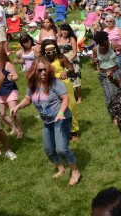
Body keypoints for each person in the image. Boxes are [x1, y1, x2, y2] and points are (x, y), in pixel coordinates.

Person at [12, 58, 81, 186]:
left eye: (45, 69)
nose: (43, 72)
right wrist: (17, 107)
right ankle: (61, 168)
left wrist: (61, 113)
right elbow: (28, 99)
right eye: (40, 70)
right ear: (34, 71)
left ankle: (75, 171)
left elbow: (65, 98)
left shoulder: (54, 82)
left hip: (62, 119)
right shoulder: (32, 84)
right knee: (48, 149)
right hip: (47, 121)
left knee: (62, 149)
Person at [40, 40, 79, 140]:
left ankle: (73, 130)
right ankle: (59, 129)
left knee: (70, 106)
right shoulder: (42, 60)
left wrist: (65, 71)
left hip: (64, 84)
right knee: (54, 107)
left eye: (53, 51)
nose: (51, 54)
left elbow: (71, 68)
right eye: (48, 52)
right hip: (50, 85)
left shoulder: (61, 57)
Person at [91, 30, 121, 123]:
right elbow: (93, 61)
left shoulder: (113, 44)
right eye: (102, 45)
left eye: (105, 43)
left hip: (116, 72)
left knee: (120, 92)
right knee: (109, 96)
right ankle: (114, 116)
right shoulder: (95, 49)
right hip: (104, 75)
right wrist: (95, 62)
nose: (104, 46)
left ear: (107, 39)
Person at [0, 46, 23, 139]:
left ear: (1, 54)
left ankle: (20, 130)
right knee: (2, 114)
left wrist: (12, 78)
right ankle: (13, 128)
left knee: (13, 112)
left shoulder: (7, 64)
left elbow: (16, 76)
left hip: (11, 90)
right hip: (0, 92)